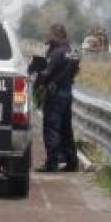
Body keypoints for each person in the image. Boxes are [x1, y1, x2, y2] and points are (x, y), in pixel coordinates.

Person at [36, 23, 80, 172]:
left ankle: (52, 163)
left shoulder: (56, 53)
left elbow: (46, 73)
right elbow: (75, 70)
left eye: (49, 33)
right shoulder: (72, 51)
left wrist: (37, 81)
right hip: (67, 92)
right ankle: (72, 161)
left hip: (55, 94)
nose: (47, 36)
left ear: (55, 35)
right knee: (66, 128)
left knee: (51, 128)